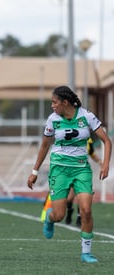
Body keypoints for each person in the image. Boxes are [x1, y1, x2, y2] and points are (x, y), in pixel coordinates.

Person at [27, 85, 112, 263]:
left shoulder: (86, 116)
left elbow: (106, 140)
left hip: (81, 169)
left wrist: (105, 164)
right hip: (59, 169)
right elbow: (44, 145)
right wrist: (34, 172)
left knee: (86, 211)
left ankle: (86, 252)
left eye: (54, 102)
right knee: (59, 215)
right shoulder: (52, 120)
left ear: (65, 102)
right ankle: (50, 218)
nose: (52, 106)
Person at [41, 137, 103, 226]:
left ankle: (79, 217)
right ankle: (69, 211)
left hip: (80, 171)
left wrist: (100, 161)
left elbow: (91, 152)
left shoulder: (88, 139)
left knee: (82, 195)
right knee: (69, 198)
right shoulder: (65, 135)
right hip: (64, 171)